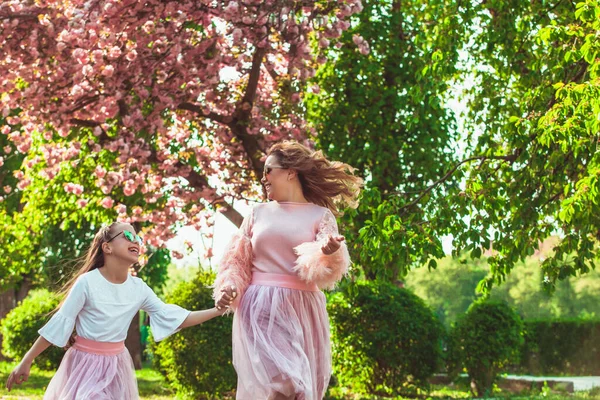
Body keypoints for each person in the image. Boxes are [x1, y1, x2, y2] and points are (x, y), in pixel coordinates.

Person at [6, 222, 235, 399]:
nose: (135, 240)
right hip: (84, 365)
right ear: (107, 247)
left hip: (117, 366)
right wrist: (26, 360)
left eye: (137, 237)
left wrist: (217, 309)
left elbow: (176, 317)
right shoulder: (87, 283)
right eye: (127, 235)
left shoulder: (138, 288)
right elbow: (61, 322)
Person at [214, 140, 363, 400]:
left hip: (303, 307)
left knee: (295, 388)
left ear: (291, 172)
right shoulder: (257, 213)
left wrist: (327, 253)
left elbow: (329, 270)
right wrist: (229, 287)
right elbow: (237, 261)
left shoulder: (321, 215)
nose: (263, 179)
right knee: (287, 382)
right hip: (260, 305)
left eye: (268, 171)